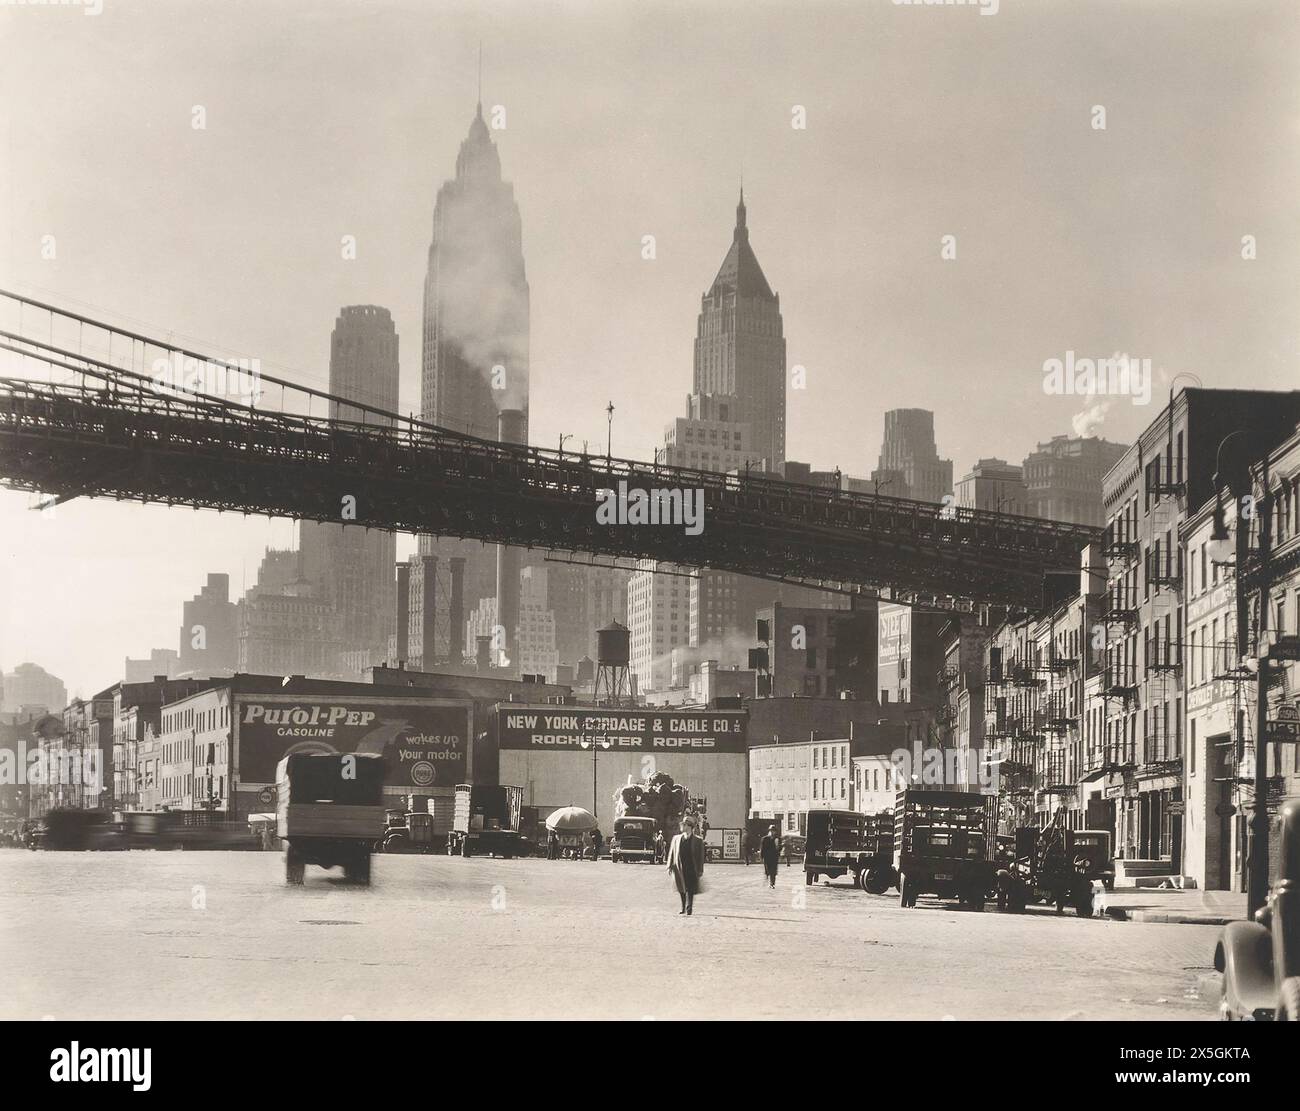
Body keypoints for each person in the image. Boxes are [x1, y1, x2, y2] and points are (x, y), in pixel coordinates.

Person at [666, 817, 705, 915]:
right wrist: (669, 866)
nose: (681, 826)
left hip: (691, 867)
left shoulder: (698, 840)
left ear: (689, 827)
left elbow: (701, 857)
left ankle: (689, 908)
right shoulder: (676, 839)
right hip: (679, 867)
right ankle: (683, 907)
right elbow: (672, 852)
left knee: (690, 888)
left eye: (683, 825)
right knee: (681, 888)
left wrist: (700, 870)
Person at [760, 824, 781, 889]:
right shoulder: (765, 838)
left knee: (773, 871)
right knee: (767, 870)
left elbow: (779, 849)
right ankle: (766, 877)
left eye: (774, 831)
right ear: (769, 831)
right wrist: (761, 856)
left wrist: (778, 846)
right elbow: (762, 848)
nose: (772, 832)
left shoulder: (777, 839)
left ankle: (772, 884)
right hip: (767, 857)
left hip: (774, 857)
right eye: (771, 831)